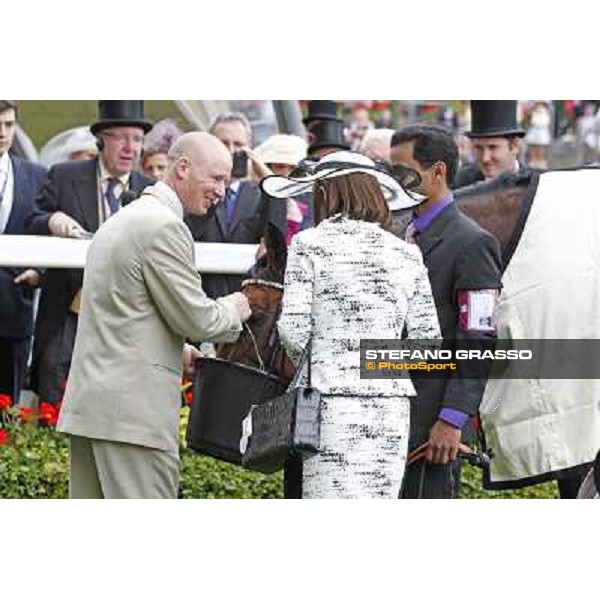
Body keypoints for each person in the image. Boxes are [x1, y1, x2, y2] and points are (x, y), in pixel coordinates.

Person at [56, 132, 252, 499]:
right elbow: (200, 320)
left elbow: (122, 313)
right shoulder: (164, 226)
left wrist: (173, 351)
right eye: (217, 178)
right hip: (133, 420)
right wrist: (238, 305)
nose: (222, 190)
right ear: (182, 168)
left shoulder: (122, 219)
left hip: (93, 413)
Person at [262, 150, 440, 499]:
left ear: (326, 193)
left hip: (329, 405)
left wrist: (333, 358)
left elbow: (293, 331)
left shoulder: (309, 244)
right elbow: (428, 345)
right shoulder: (406, 253)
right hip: (391, 410)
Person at [390, 123, 502, 498]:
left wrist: (451, 420)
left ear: (437, 171)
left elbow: (479, 340)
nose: (394, 181)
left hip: (432, 427)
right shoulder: (393, 233)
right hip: (384, 419)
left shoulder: (473, 243)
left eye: (403, 172)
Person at [26, 101, 154, 406]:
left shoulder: (149, 189)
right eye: (121, 138)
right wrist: (52, 220)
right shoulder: (64, 176)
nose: (130, 148)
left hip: (125, 321)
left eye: (137, 140)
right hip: (69, 312)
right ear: (101, 140)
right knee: (54, 399)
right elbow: (33, 220)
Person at [185, 113, 266, 299]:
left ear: (250, 150)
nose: (230, 151)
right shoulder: (192, 191)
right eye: (223, 143)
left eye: (238, 145)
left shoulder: (261, 195)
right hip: (199, 297)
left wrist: (265, 178)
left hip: (247, 302)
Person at [0, 100, 47, 403]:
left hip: (15, 307)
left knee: (8, 411)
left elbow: (47, 226)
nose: (2, 132)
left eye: (8, 125)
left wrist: (39, 272)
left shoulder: (38, 175)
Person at [453, 100, 526, 189]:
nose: (485, 158)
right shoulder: (458, 183)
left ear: (515, 145)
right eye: (479, 148)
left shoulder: (537, 185)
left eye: (493, 147)